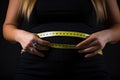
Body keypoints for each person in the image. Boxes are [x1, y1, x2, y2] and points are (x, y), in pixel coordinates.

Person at [2, 0, 120, 80]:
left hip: (89, 68)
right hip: (33, 68)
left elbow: (117, 25)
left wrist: (106, 36)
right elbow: (8, 26)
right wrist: (20, 36)